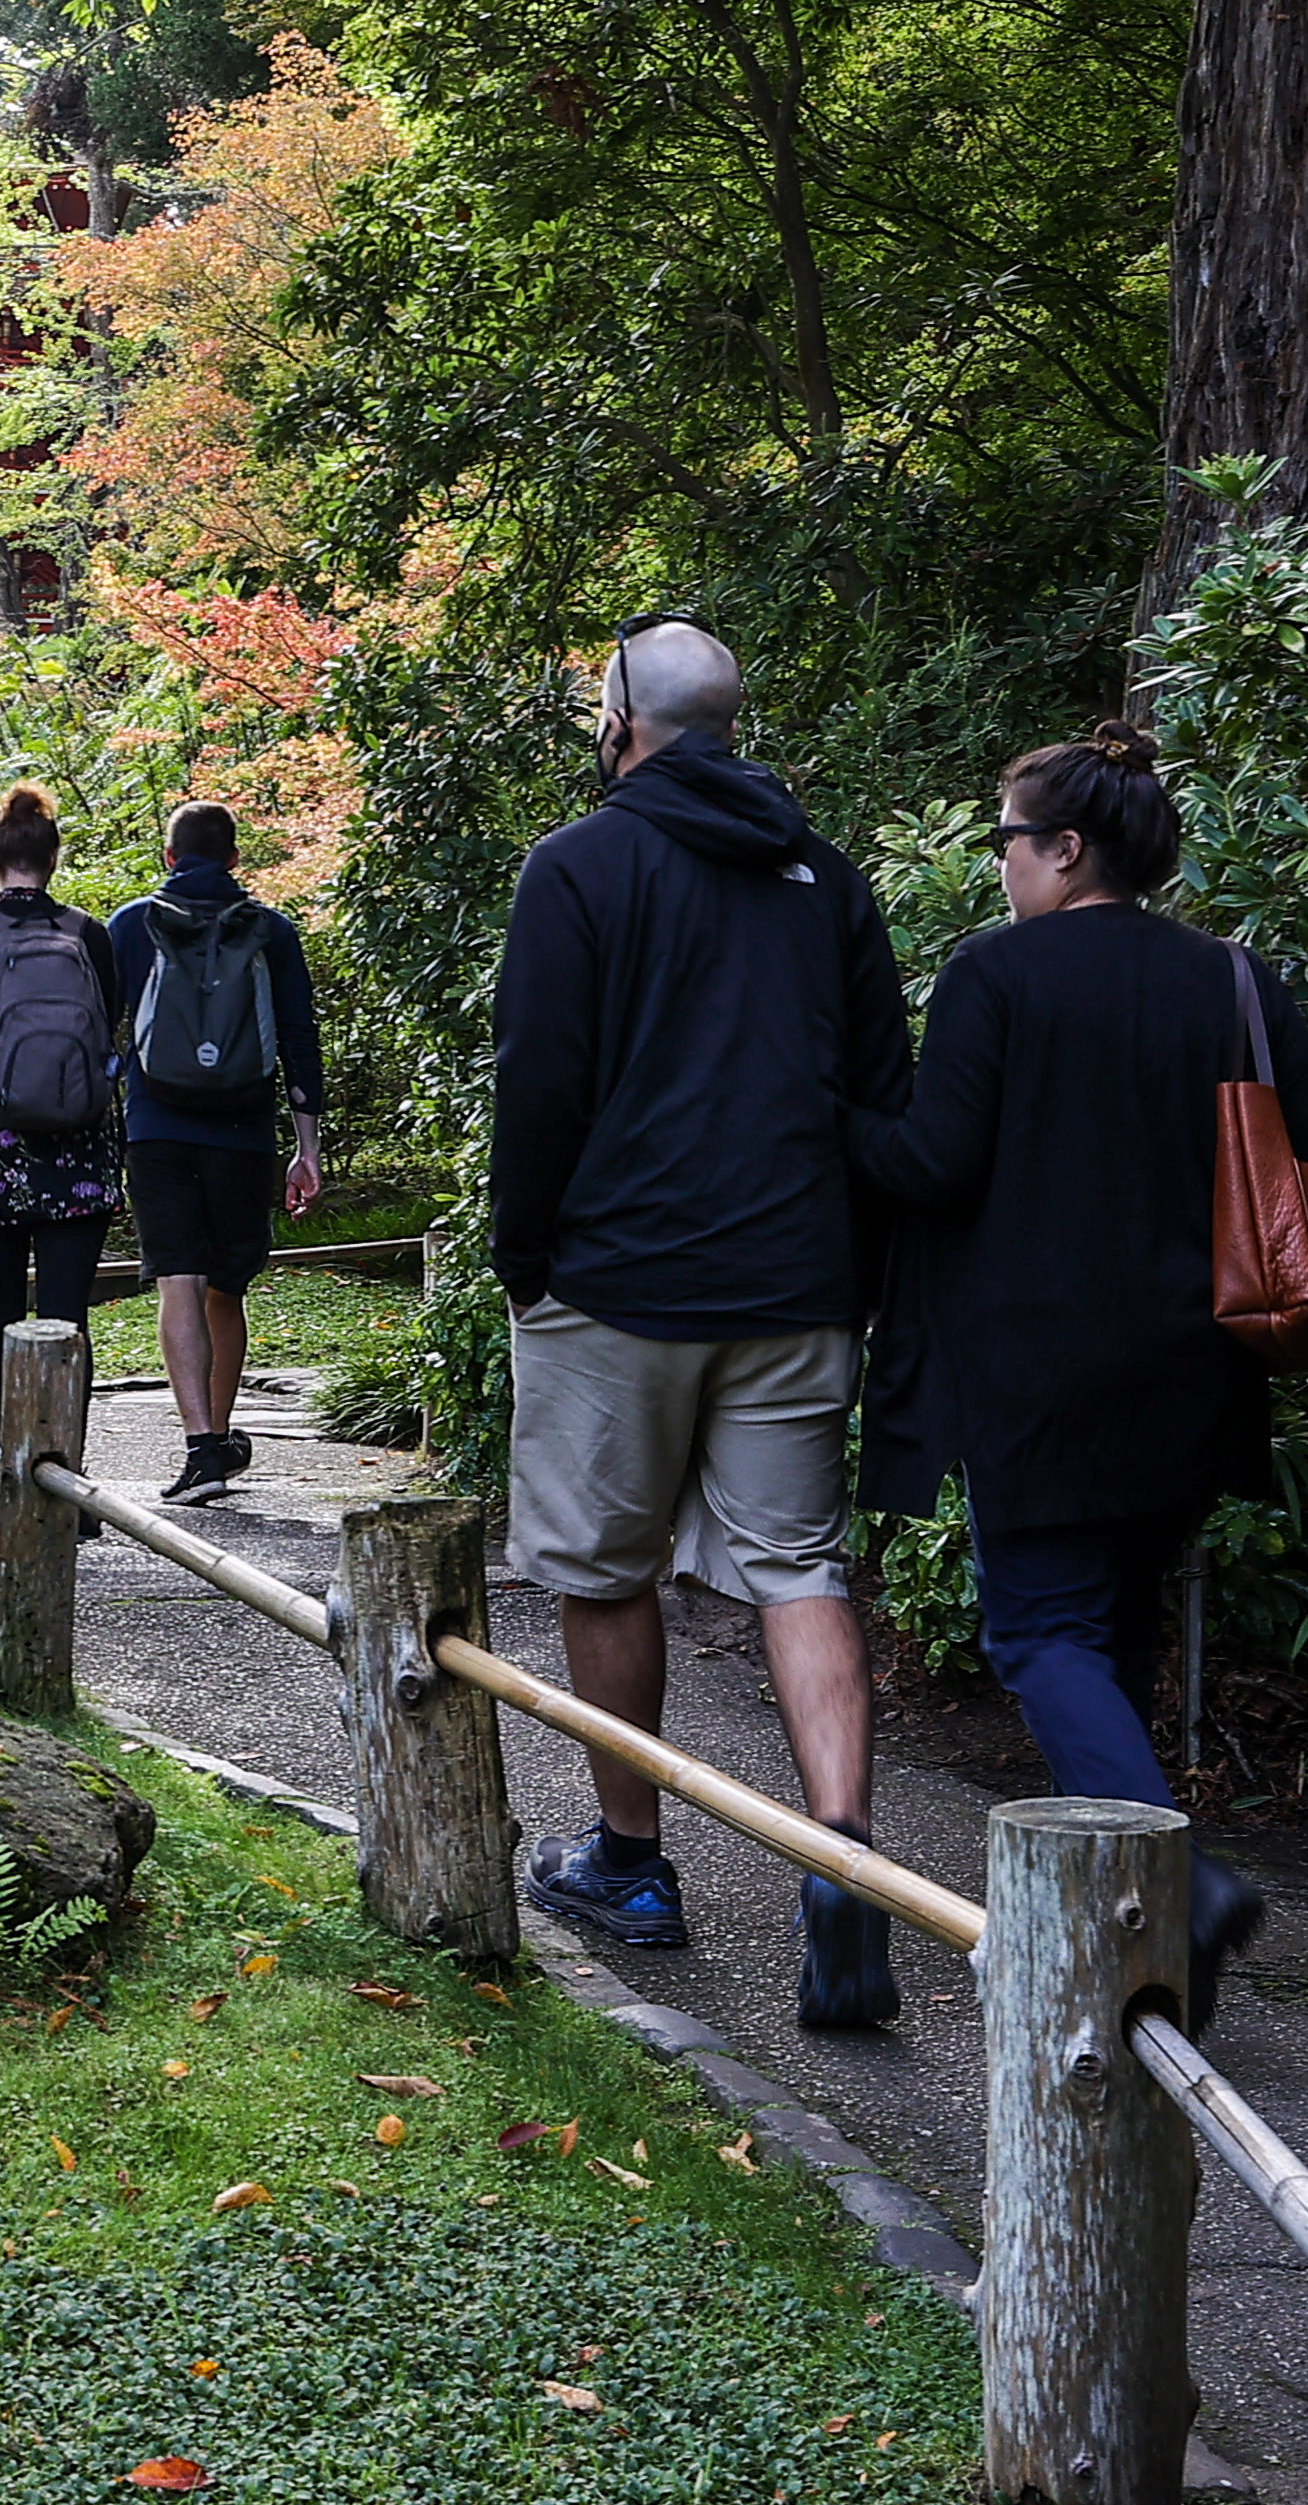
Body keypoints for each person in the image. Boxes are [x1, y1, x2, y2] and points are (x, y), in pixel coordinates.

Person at [843, 725, 1308, 2035]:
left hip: (1040, 1368)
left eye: (1007, 840)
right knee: (1115, 1632)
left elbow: (934, 1163)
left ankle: (1176, 1891)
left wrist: (839, 1115)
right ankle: (1157, 1970)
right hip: (1200, 1361)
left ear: (1066, 850)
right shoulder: (1237, 980)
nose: (999, 864)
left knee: (1039, 1631)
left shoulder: (998, 978)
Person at [487, 618, 915, 2023]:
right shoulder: (825, 879)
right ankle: (845, 1859)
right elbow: (880, 1088)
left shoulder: (580, 865)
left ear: (621, 719)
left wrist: (524, 1251)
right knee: (800, 1566)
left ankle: (631, 1865)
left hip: (617, 1281)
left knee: (606, 1571)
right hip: (795, 1282)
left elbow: (541, 1075)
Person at [105, 801, 326, 1504]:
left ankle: (201, 1445)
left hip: (156, 1127)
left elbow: (101, 1031)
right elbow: (298, 1038)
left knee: (178, 1279)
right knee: (226, 1286)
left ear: (169, 857)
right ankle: (221, 1437)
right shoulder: (271, 929)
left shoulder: (130, 925)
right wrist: (307, 1149)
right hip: (244, 1130)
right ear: (234, 860)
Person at [0, 785, 121, 1533]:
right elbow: (110, 1028)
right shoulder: (90, 934)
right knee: (67, 1319)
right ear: (52, 855)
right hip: (80, 1147)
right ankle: (67, 1480)